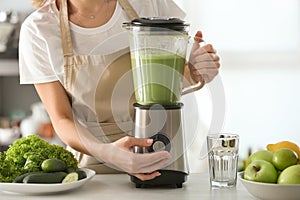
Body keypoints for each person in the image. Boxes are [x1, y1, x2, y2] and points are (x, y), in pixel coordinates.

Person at [19, 0, 220, 181]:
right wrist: (107, 152)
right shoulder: (39, 30)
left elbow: (170, 76)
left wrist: (196, 70)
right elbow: (62, 119)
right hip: (94, 168)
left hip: (161, 153)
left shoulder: (149, 4)